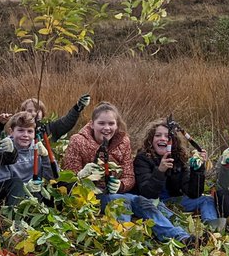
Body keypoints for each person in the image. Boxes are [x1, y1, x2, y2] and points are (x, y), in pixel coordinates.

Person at [63, 103, 195, 245]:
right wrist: (82, 175)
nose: (106, 128)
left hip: (117, 193)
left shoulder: (123, 141)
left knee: (143, 201)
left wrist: (120, 185)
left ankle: (180, 237)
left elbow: (129, 176)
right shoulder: (78, 141)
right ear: (92, 124)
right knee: (120, 201)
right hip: (90, 197)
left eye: (111, 124)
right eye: (101, 123)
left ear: (117, 125)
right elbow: (67, 181)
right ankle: (122, 241)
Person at [132, 119, 217, 225]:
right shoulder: (142, 159)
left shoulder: (178, 158)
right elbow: (147, 193)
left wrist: (198, 169)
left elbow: (193, 193)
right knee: (170, 217)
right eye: (158, 135)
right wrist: (160, 171)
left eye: (167, 136)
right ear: (151, 139)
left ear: (173, 141)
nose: (163, 138)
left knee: (207, 200)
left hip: (173, 202)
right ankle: (177, 227)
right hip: (152, 204)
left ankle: (212, 227)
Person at [0, 110, 58, 207]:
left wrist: (46, 157)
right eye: (20, 130)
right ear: (11, 132)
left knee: (63, 185)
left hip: (37, 192)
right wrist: (26, 188)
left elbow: (53, 177)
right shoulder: (5, 148)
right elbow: (2, 183)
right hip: (13, 196)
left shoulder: (38, 147)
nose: (25, 135)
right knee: (16, 184)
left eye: (30, 131)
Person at [19, 93, 90, 145]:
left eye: (37, 110)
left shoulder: (50, 128)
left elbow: (66, 122)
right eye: (29, 111)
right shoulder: (18, 130)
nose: (33, 114)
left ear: (43, 113)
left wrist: (77, 107)